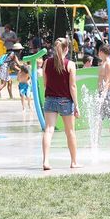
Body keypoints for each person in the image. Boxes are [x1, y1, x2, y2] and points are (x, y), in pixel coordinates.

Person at [41, 37, 81, 170]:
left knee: (48, 130)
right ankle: (74, 162)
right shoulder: (70, 64)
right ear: (66, 49)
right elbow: (73, 86)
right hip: (65, 100)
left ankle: (46, 161)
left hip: (50, 99)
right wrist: (76, 105)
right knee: (70, 132)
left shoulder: (46, 62)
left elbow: (45, 83)